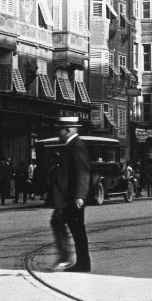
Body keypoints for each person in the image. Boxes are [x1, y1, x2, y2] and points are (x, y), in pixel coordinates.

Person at [46, 116, 92, 272]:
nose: (58, 133)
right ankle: (76, 261)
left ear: (67, 130)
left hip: (72, 198)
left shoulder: (76, 145)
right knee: (71, 226)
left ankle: (74, 260)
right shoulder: (70, 145)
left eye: (60, 129)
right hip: (68, 198)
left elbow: (82, 171)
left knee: (74, 228)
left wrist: (80, 195)